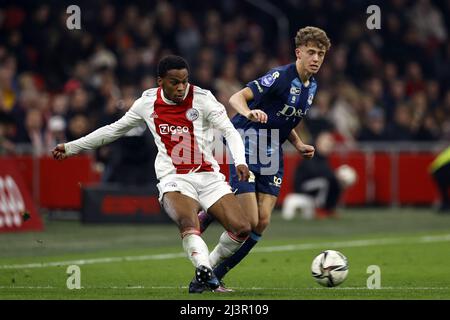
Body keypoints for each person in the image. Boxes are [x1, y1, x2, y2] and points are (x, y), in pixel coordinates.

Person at [52, 55, 252, 293]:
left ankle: (205, 268)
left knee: (242, 228)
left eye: (184, 81)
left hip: (209, 177)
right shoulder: (146, 103)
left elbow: (229, 131)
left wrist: (240, 161)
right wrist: (72, 147)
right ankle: (202, 267)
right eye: (174, 82)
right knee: (188, 222)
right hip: (174, 178)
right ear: (161, 82)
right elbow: (114, 130)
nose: (181, 87)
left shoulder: (203, 99)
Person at [198, 26, 331, 288]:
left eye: (321, 54)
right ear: (299, 52)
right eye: (312, 52)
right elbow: (237, 98)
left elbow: (284, 118)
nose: (316, 59)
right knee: (246, 222)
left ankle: (217, 274)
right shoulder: (280, 76)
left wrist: (298, 142)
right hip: (247, 143)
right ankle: (213, 215)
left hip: (272, 150)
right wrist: (248, 113)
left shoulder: (311, 86)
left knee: (262, 222)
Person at [282, 131, 355, 220]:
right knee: (325, 182)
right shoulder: (310, 153)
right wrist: (334, 175)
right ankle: (320, 209)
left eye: (329, 145)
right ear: (318, 143)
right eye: (326, 145)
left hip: (315, 185)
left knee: (335, 182)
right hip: (302, 186)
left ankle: (330, 209)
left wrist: (337, 177)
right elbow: (314, 172)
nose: (328, 148)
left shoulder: (324, 158)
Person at [429, 145, 450, 213]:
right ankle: (445, 205)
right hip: (440, 169)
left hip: (436, 169)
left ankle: (445, 205)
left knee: (443, 190)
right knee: (443, 190)